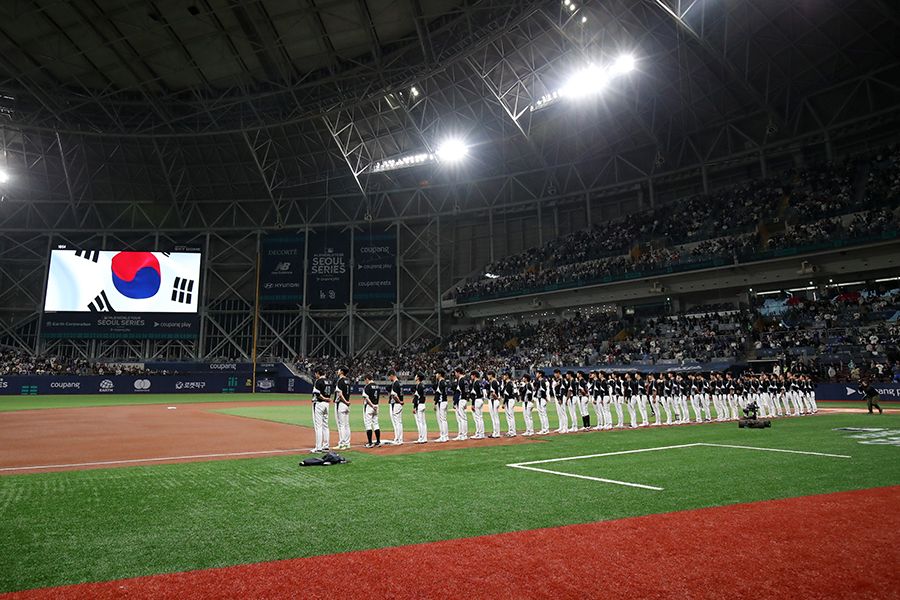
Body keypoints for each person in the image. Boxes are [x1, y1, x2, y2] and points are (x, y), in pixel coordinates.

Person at [311, 368, 332, 453]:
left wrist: (323, 398)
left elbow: (317, 393)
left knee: (318, 426)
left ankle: (318, 447)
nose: (315, 375)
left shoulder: (318, 381)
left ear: (318, 373)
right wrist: (326, 399)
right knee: (325, 426)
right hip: (326, 405)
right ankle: (326, 446)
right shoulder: (328, 381)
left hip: (319, 403)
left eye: (316, 373)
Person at [334, 366, 352, 450]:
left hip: (341, 403)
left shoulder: (340, 380)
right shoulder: (347, 380)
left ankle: (342, 443)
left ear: (341, 371)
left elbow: (340, 394)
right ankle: (347, 443)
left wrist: (345, 402)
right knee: (346, 424)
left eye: (339, 370)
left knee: (341, 425)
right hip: (347, 404)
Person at [362, 375, 381, 448]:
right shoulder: (377, 386)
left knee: (368, 424)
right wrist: (375, 405)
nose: (365, 382)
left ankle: (370, 443)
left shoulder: (367, 386)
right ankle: (378, 441)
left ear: (367, 379)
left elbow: (366, 398)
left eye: (365, 380)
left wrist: (372, 405)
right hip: (376, 405)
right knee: (376, 423)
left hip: (370, 406)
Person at [388, 371, 405, 445]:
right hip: (399, 404)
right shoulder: (400, 383)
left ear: (392, 375)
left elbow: (395, 395)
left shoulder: (395, 383)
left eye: (389, 376)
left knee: (396, 422)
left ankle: (398, 439)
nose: (389, 378)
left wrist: (399, 401)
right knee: (399, 422)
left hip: (396, 404)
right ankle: (398, 438)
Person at [433, 369, 450, 442]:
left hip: (441, 402)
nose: (436, 375)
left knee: (441, 420)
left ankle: (443, 436)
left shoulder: (441, 382)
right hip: (445, 401)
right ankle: (445, 436)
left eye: (437, 373)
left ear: (440, 374)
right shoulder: (445, 382)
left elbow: (438, 393)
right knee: (444, 420)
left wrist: (435, 403)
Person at [453, 367, 469, 441]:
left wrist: (455, 402)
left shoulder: (461, 380)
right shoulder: (465, 380)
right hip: (464, 399)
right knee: (462, 418)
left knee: (461, 418)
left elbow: (458, 392)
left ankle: (463, 434)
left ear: (458, 372)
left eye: (456, 372)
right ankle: (461, 434)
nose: (455, 374)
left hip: (461, 400)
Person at [470, 371, 486, 439]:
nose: (471, 377)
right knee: (480, 417)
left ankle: (479, 433)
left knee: (477, 418)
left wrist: (472, 404)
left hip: (477, 400)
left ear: (474, 375)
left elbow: (474, 394)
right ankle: (482, 433)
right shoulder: (480, 382)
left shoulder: (475, 382)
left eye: (471, 375)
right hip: (481, 399)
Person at [413, 373, 428, 443]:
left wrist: (414, 407)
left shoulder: (418, 385)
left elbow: (416, 397)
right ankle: (425, 438)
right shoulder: (423, 385)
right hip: (423, 404)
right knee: (423, 422)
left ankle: (421, 438)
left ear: (418, 378)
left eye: (416, 376)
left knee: (420, 423)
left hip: (419, 405)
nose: (415, 377)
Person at [487, 371, 503, 438]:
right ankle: (496, 432)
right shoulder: (496, 382)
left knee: (494, 417)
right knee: (496, 417)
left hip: (494, 400)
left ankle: (496, 433)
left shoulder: (493, 382)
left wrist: (496, 398)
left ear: (491, 375)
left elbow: (493, 393)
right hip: (496, 400)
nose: (488, 377)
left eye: (488, 375)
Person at [502, 372, 517, 436]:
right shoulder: (509, 383)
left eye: (504, 375)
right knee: (509, 416)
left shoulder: (508, 383)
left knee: (510, 416)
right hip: (510, 400)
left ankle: (512, 431)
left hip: (509, 400)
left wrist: (504, 403)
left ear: (507, 376)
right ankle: (510, 431)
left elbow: (506, 394)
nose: (503, 376)